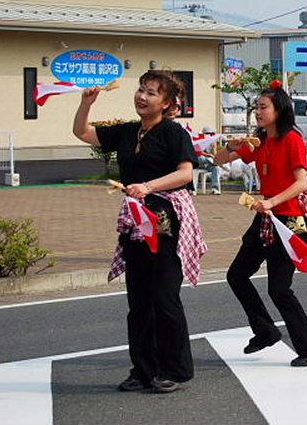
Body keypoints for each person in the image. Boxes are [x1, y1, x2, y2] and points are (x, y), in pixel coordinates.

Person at [72, 70, 208, 394]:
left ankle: (172, 369)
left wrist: (147, 186)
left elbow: (186, 172)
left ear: (166, 103)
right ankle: (142, 369)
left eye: (151, 92)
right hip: (135, 220)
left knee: (164, 297)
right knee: (139, 300)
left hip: (165, 219)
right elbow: (83, 132)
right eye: (141, 90)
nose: (142, 96)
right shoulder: (128, 131)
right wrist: (86, 104)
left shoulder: (173, 133)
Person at [214, 80, 307, 367]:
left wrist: (270, 202)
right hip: (266, 218)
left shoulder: (292, 138)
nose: (258, 112)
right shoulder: (260, 140)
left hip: (289, 221)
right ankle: (265, 332)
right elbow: (218, 161)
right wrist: (233, 146)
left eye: (263, 107)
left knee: (279, 289)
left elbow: (302, 182)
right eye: (256, 107)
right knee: (236, 275)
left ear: (279, 109)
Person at [197, 126, 223, 195]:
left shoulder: (213, 142)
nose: (209, 135)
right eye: (207, 133)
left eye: (211, 133)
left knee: (216, 168)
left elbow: (214, 154)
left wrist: (216, 158)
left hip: (208, 163)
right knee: (201, 157)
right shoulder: (198, 140)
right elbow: (199, 152)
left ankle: (215, 189)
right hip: (198, 163)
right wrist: (209, 156)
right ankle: (217, 164)